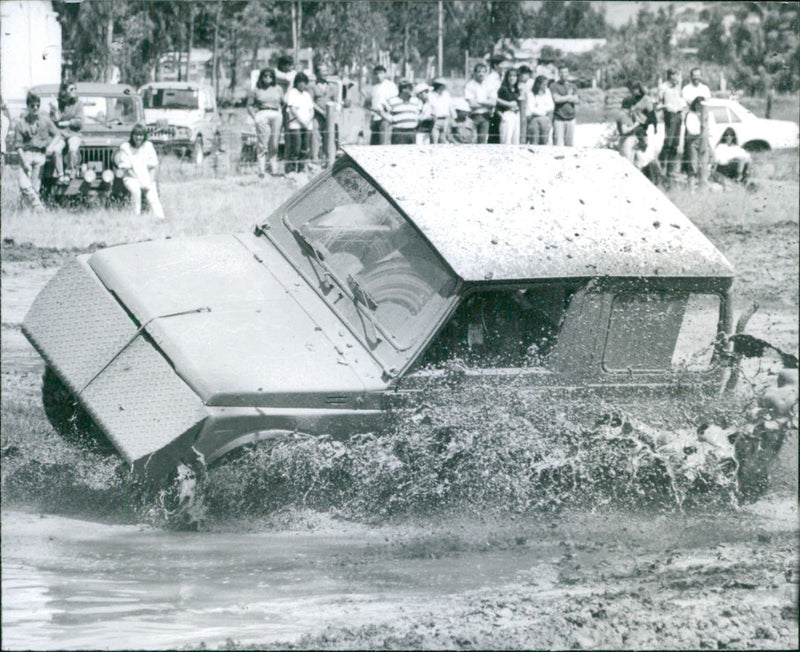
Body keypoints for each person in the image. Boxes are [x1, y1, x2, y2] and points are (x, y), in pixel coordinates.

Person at [10, 92, 58, 211]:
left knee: (35, 187)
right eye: (32, 106)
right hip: (26, 155)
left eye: (37, 105)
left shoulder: (46, 120)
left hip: (40, 156)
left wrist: (51, 146)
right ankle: (40, 209)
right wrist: (24, 161)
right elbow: (18, 145)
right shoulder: (21, 123)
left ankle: (27, 212)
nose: (35, 108)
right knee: (23, 184)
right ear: (28, 107)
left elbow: (57, 135)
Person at [116, 123, 165, 220]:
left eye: (141, 135)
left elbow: (153, 167)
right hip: (131, 177)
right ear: (132, 135)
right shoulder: (125, 147)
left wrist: (149, 182)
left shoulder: (148, 146)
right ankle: (136, 215)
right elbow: (127, 169)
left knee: (152, 194)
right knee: (136, 191)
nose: (138, 137)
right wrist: (138, 181)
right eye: (136, 135)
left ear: (144, 136)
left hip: (146, 176)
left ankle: (160, 218)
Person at [246, 67, 284, 177]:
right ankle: (261, 170)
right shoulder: (256, 89)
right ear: (261, 77)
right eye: (265, 75)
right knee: (262, 144)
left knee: (274, 143)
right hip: (262, 114)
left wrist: (280, 114)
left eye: (270, 76)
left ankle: (274, 170)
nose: (268, 78)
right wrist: (256, 117)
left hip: (276, 114)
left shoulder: (278, 88)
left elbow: (284, 102)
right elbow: (249, 106)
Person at [47, 80, 84, 183]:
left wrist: (67, 123)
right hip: (60, 134)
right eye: (71, 89)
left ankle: (69, 172)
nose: (74, 91)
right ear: (64, 91)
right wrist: (54, 108)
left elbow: (80, 122)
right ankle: (60, 175)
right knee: (56, 150)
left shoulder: (78, 103)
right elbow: (55, 120)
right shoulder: (57, 103)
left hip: (74, 133)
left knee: (73, 149)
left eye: (75, 89)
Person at [657, 68, 687, 182]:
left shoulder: (677, 87)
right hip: (670, 115)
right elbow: (659, 103)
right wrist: (666, 107)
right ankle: (661, 166)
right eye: (676, 75)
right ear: (671, 76)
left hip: (678, 115)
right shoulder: (663, 87)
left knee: (675, 143)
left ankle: (670, 170)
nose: (678, 78)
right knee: (668, 141)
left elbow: (681, 101)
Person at [617, 82, 657, 162]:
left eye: (633, 90)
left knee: (642, 149)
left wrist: (655, 126)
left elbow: (652, 114)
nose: (632, 92)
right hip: (633, 125)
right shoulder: (633, 99)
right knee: (632, 149)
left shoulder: (646, 100)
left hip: (642, 125)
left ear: (639, 89)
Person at [284, 72, 315, 172]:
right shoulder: (292, 93)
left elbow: (312, 110)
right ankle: (291, 171)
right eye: (300, 82)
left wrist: (308, 121)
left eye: (304, 82)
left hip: (307, 125)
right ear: (296, 83)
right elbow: (292, 109)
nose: (302, 84)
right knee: (296, 149)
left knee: (305, 149)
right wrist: (302, 122)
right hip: (295, 125)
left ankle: (301, 170)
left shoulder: (307, 95)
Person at [309, 62, 338, 165]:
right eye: (323, 72)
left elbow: (335, 101)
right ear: (317, 73)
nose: (325, 74)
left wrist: (331, 112)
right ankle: (315, 159)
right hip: (317, 115)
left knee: (329, 136)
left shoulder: (332, 86)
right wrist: (321, 112)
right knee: (315, 136)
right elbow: (310, 101)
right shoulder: (312, 86)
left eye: (326, 71)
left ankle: (329, 160)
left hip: (330, 116)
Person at [464, 62, 496, 144]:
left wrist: (478, 101)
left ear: (486, 73)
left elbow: (493, 102)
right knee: (471, 141)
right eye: (478, 72)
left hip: (485, 117)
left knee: (482, 142)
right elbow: (472, 104)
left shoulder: (489, 85)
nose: (481, 74)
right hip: (473, 117)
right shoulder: (470, 85)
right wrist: (486, 102)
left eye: (483, 72)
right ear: (474, 73)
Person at [366, 65, 398, 145]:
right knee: (373, 144)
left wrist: (387, 112)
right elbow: (373, 104)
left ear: (385, 74)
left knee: (383, 143)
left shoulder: (391, 85)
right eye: (376, 74)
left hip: (385, 118)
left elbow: (394, 102)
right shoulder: (375, 87)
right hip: (375, 118)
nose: (378, 75)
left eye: (380, 73)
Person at [550, 65, 579, 146]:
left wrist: (563, 98)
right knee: (558, 144)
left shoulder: (573, 86)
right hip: (559, 118)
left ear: (568, 73)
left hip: (571, 118)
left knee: (569, 144)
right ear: (559, 73)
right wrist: (569, 97)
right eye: (561, 72)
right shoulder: (554, 85)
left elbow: (576, 100)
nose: (563, 74)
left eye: (565, 72)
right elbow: (556, 99)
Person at [386, 80, 422, 144]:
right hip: (399, 133)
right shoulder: (392, 101)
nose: (412, 91)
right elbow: (386, 113)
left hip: (412, 131)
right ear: (403, 89)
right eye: (410, 88)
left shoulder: (416, 101)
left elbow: (419, 114)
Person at [526, 75, 554, 145]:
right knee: (534, 141)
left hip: (545, 119)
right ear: (538, 84)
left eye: (546, 84)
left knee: (544, 141)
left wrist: (539, 108)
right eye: (544, 84)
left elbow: (551, 106)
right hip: (534, 119)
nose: (546, 86)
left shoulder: (547, 92)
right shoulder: (531, 94)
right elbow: (531, 108)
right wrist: (543, 110)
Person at [496, 68, 521, 145]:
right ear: (507, 77)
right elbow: (496, 102)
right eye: (510, 76)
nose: (512, 78)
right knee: (506, 141)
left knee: (515, 141)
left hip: (516, 115)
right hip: (507, 115)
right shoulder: (503, 89)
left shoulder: (517, 90)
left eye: (514, 76)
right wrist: (503, 116)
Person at [427, 78, 454, 144]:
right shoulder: (430, 95)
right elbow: (429, 107)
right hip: (435, 121)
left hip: (445, 120)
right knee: (434, 142)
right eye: (442, 85)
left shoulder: (446, 94)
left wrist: (453, 118)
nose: (444, 87)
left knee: (444, 141)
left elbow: (451, 107)